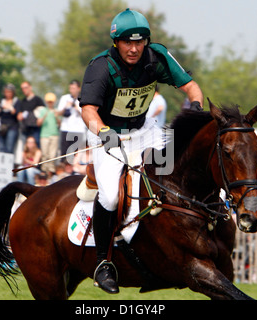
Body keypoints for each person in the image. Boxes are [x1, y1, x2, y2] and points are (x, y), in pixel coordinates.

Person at [79, 8, 204, 293]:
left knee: (181, 166)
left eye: (139, 42)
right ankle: (102, 263)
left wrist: (195, 106)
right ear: (116, 43)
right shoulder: (100, 66)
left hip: (145, 131)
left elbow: (191, 87)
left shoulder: (157, 57)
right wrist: (103, 132)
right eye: (127, 42)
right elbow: (88, 110)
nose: (134, 48)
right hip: (108, 135)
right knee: (110, 196)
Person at [57, 80, 87, 163]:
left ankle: (74, 171)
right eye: (70, 88)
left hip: (78, 130)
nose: (71, 90)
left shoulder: (83, 99)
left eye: (73, 88)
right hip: (66, 128)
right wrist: (66, 107)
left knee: (76, 154)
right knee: (64, 154)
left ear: (78, 88)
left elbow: (85, 114)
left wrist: (75, 106)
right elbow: (59, 113)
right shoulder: (65, 98)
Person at [37, 92, 60, 174]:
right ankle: (44, 171)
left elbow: (59, 124)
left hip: (54, 134)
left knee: (52, 155)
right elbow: (38, 123)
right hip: (44, 135)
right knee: (45, 154)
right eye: (49, 102)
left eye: (51, 102)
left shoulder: (56, 111)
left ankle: (51, 171)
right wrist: (44, 116)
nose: (50, 103)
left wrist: (57, 116)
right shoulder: (43, 110)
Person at [17, 81, 45, 147]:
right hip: (26, 128)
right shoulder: (23, 101)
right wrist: (20, 116)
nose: (24, 90)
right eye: (22, 88)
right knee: (26, 147)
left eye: (26, 88)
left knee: (36, 145)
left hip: (35, 128)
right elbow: (19, 115)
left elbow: (44, 112)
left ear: (30, 87)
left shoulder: (37, 100)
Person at [0, 84, 20, 154]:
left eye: (9, 92)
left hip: (12, 127)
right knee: (1, 148)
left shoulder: (16, 101)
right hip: (3, 127)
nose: (8, 94)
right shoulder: (2, 101)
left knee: (9, 149)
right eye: (6, 92)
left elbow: (17, 114)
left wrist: (11, 108)